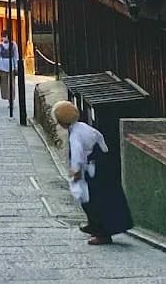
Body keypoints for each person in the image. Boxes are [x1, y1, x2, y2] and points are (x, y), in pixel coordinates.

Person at [52, 99, 133, 246]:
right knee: (104, 197)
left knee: (91, 201)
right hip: (101, 165)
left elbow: (77, 153)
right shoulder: (84, 126)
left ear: (62, 122)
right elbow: (99, 138)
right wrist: (104, 152)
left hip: (91, 169)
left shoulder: (75, 135)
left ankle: (101, 233)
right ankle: (94, 226)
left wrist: (75, 170)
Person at [0, 30, 18, 102]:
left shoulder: (13, 44)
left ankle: (11, 99)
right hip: (3, 66)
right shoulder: (0, 46)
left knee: (12, 84)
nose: (4, 38)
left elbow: (16, 56)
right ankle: (6, 96)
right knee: (4, 83)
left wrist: (16, 65)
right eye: (3, 37)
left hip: (11, 65)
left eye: (6, 36)